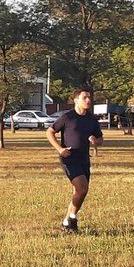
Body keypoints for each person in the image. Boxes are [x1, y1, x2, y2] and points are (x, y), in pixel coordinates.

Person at [47, 88, 103, 232]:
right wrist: (60, 149)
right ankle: (72, 219)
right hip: (69, 158)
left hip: (84, 158)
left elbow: (100, 138)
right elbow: (50, 131)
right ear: (76, 100)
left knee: (80, 192)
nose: (88, 100)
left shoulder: (91, 119)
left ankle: (66, 222)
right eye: (84, 98)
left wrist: (95, 140)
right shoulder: (68, 117)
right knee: (82, 188)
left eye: (89, 97)